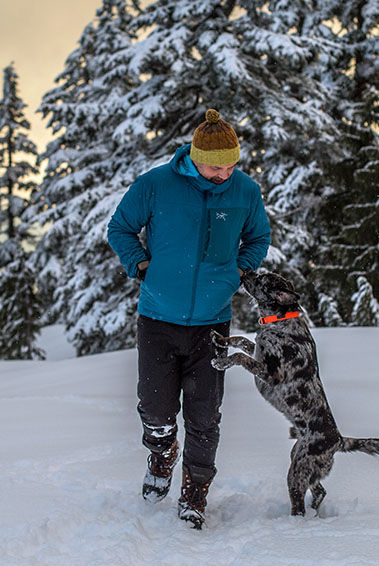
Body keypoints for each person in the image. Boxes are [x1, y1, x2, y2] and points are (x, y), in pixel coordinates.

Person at [107, 109, 271, 528]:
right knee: (156, 409)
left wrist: (238, 271)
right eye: (217, 166)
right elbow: (120, 228)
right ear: (195, 157)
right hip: (158, 317)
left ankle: (195, 493)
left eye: (232, 164)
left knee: (205, 415)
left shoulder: (245, 191)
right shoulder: (156, 185)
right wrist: (140, 266)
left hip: (212, 322)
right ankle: (162, 456)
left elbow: (258, 238)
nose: (225, 173)